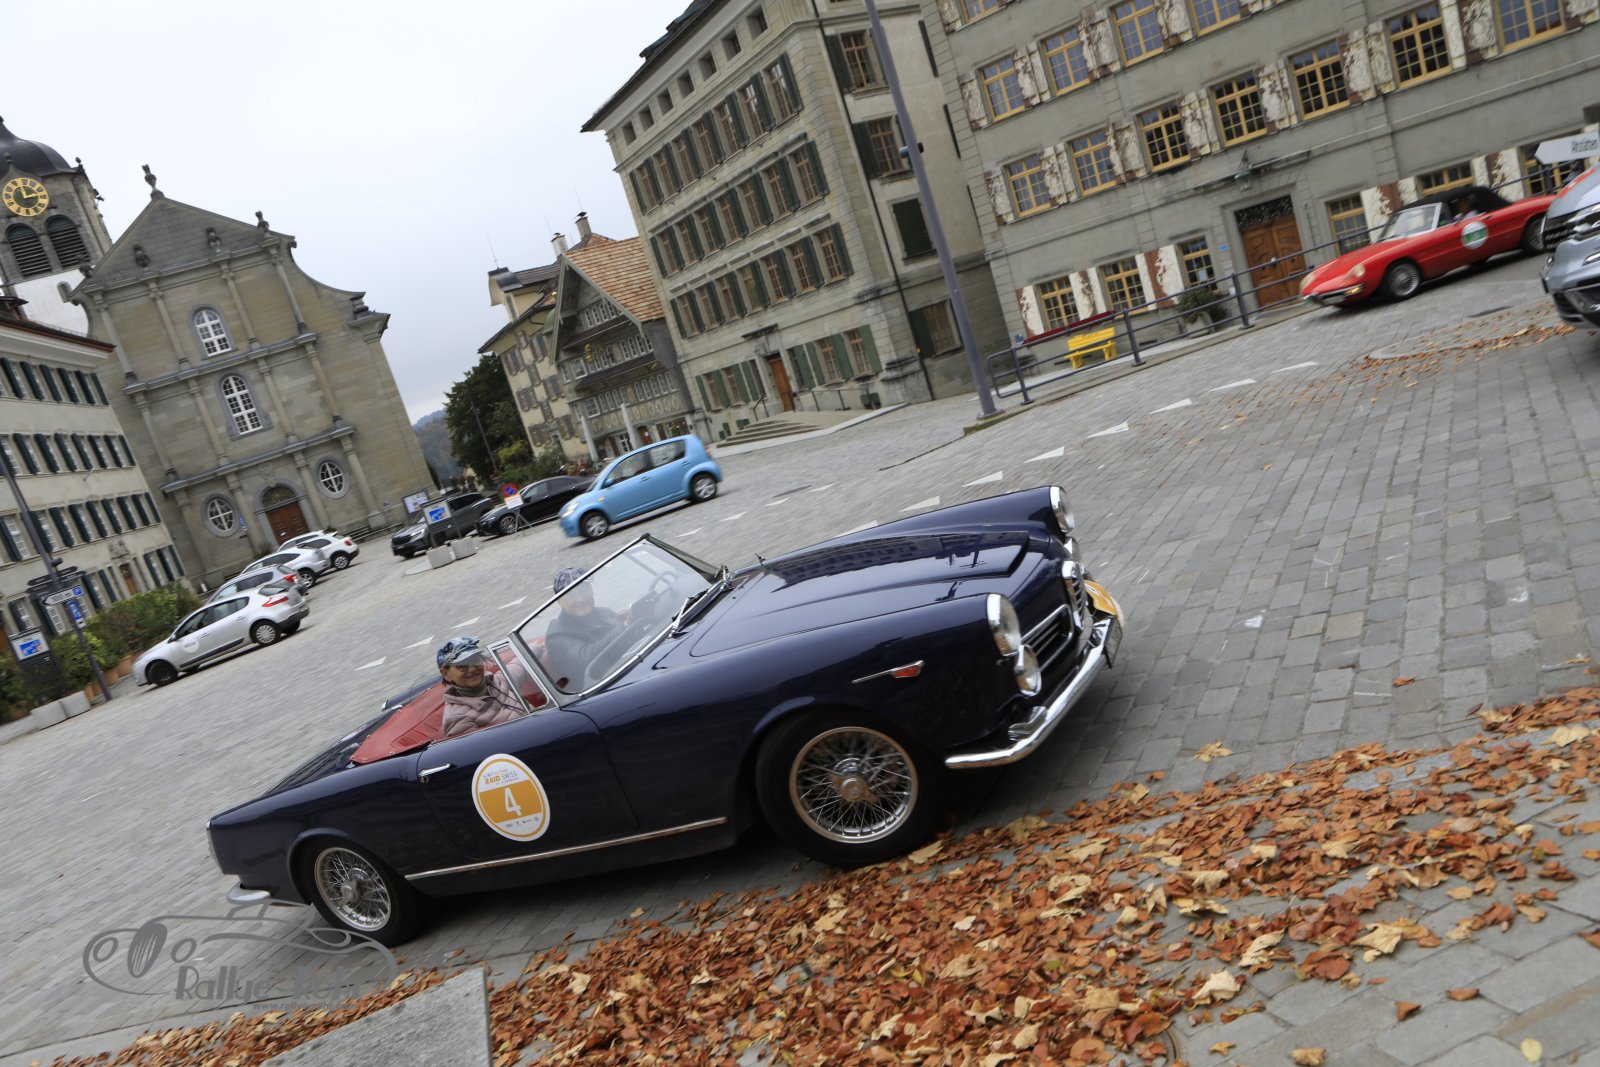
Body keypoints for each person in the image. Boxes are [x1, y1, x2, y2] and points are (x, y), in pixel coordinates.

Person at [543, 566, 623, 690]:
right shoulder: (556, 636)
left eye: (583, 590)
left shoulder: (605, 613)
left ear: (591, 591)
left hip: (624, 672)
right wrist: (624, 629)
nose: (580, 599)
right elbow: (586, 658)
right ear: (559, 601)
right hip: (597, 691)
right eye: (571, 595)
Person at [437, 635, 525, 739]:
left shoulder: (496, 681)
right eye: (462, 666)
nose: (472, 669)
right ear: (446, 674)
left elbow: (520, 664)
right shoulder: (459, 719)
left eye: (475, 660)